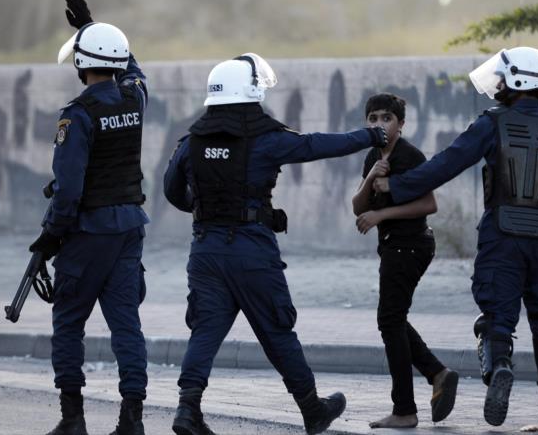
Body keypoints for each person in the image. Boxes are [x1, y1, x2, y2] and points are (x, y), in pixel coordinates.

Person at [163, 53, 388, 435]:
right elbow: (316, 145)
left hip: (205, 250)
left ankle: (187, 410)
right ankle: (312, 408)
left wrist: (205, 209)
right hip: (251, 251)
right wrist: (368, 136)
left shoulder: (191, 142)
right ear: (250, 93)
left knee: (204, 331)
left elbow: (172, 191)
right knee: (278, 330)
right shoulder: (265, 139)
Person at [372, 47, 538, 427]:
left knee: (496, 318)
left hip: (503, 236)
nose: (499, 83)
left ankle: (501, 366)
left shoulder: (492, 123)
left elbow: (445, 165)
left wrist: (394, 185)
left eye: (504, 77)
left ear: (517, 81)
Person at [30, 0, 150, 435]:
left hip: (88, 234)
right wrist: (93, 26)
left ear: (82, 65)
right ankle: (131, 420)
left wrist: (49, 236)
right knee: (126, 325)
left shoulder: (77, 117)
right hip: (130, 229)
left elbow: (68, 191)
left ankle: (72, 419)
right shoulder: (135, 98)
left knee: (68, 322)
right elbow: (134, 68)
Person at [351, 93, 459, 428]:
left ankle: (405, 409)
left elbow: (429, 204)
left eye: (386, 118)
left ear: (401, 124)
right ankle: (436, 374)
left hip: (410, 245)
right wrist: (371, 178)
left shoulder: (410, 156)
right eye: (373, 118)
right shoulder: (373, 155)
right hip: (394, 246)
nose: (379, 124)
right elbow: (358, 206)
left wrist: (382, 214)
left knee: (390, 320)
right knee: (392, 319)